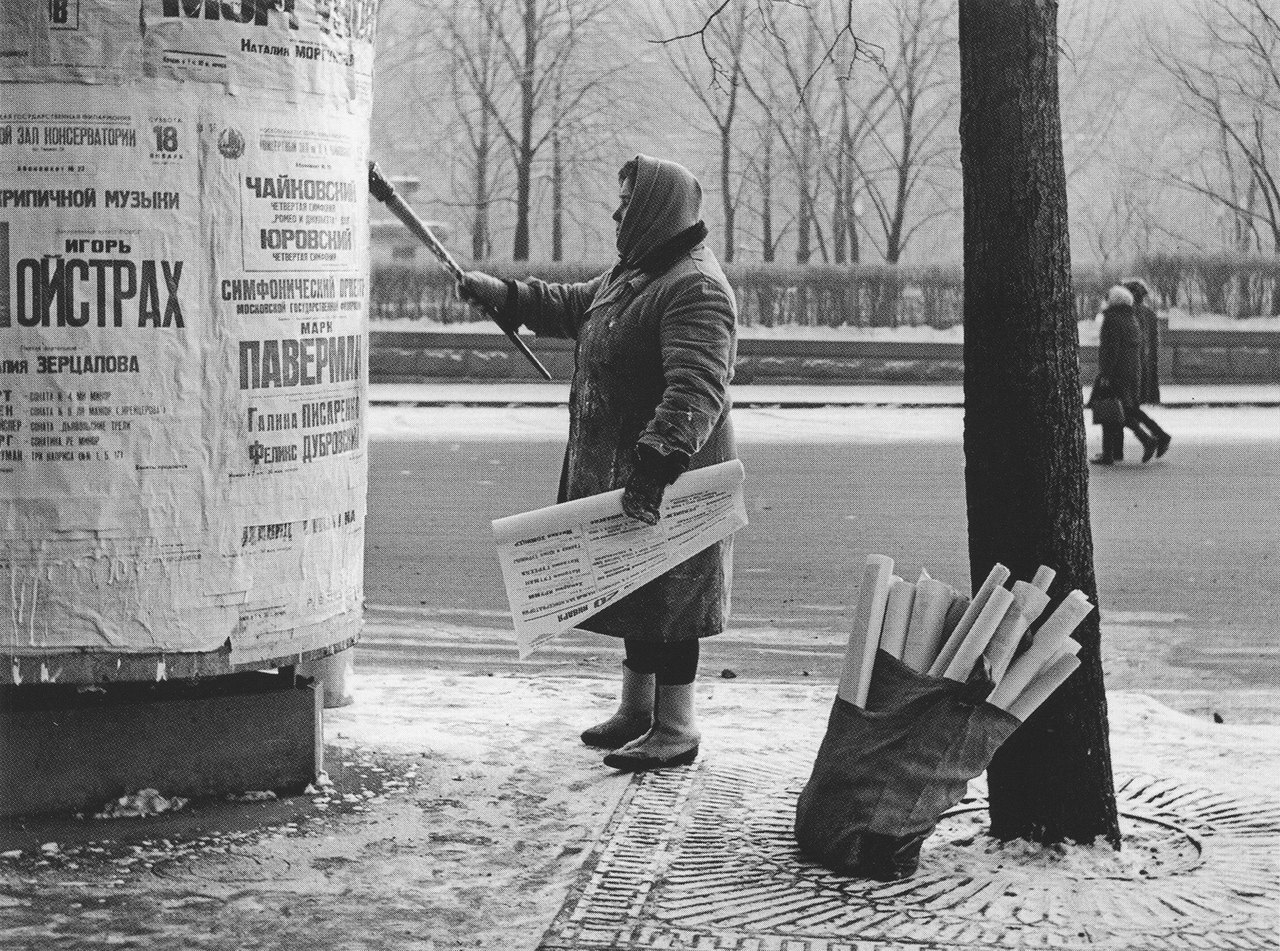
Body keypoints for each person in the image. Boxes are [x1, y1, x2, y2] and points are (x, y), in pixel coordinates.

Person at [457, 155, 737, 773]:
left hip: (670, 477)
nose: (616, 214)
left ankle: (677, 726)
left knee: (673, 600)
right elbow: (574, 305)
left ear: (655, 211)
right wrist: (505, 295)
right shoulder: (638, 271)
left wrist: (658, 461)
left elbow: (697, 388)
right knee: (635, 583)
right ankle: (637, 711)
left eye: (627, 203)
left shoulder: (695, 287)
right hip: (628, 467)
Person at [1090, 285, 1157, 465]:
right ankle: (1117, 451)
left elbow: (1110, 349)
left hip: (1116, 372)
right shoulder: (1131, 318)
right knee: (1122, 411)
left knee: (1108, 410)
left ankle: (1112, 453)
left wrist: (1105, 374)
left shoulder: (1111, 318)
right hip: (1131, 372)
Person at [1123, 278, 1172, 459]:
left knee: (1125, 410)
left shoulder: (1131, 314)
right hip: (1144, 369)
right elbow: (1153, 345)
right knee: (1131, 409)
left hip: (1132, 369)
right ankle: (1157, 437)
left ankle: (1154, 438)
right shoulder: (1149, 314)